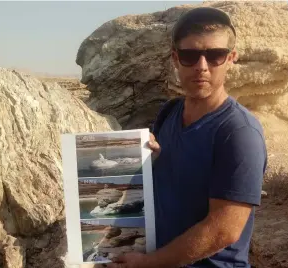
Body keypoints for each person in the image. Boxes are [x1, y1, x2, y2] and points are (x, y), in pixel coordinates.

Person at [107, 7, 267, 268]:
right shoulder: (170, 113)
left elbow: (224, 230)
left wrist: (149, 263)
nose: (201, 67)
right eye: (190, 55)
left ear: (231, 59)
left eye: (215, 55)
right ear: (175, 58)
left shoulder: (238, 133)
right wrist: (149, 160)